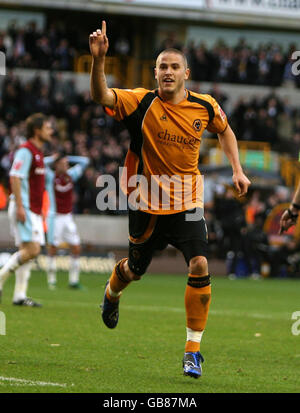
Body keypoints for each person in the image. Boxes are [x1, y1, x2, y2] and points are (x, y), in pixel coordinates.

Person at [89, 21, 251, 378]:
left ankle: (192, 351)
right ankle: (112, 294)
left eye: (174, 66)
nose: (167, 71)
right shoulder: (140, 102)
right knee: (134, 270)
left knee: (199, 265)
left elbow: (226, 132)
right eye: (162, 66)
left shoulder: (205, 106)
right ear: (155, 72)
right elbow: (102, 96)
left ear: (185, 74)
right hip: (146, 202)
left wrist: (237, 169)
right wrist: (99, 60)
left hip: (187, 200)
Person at [0, 113, 53, 306]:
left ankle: (19, 296)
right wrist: (21, 207)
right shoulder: (26, 150)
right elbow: (14, 176)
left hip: (34, 210)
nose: (51, 131)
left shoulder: (38, 152)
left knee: (27, 252)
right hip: (25, 208)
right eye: (47, 128)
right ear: (37, 131)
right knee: (32, 250)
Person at [44, 152, 89, 289]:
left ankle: (73, 281)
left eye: (67, 163)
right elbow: (41, 163)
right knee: (53, 248)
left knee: (76, 247)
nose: (66, 165)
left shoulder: (71, 175)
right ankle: (51, 281)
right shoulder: (50, 176)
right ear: (57, 165)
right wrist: (52, 158)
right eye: (63, 163)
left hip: (68, 217)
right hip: (54, 217)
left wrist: (69, 157)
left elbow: (85, 161)